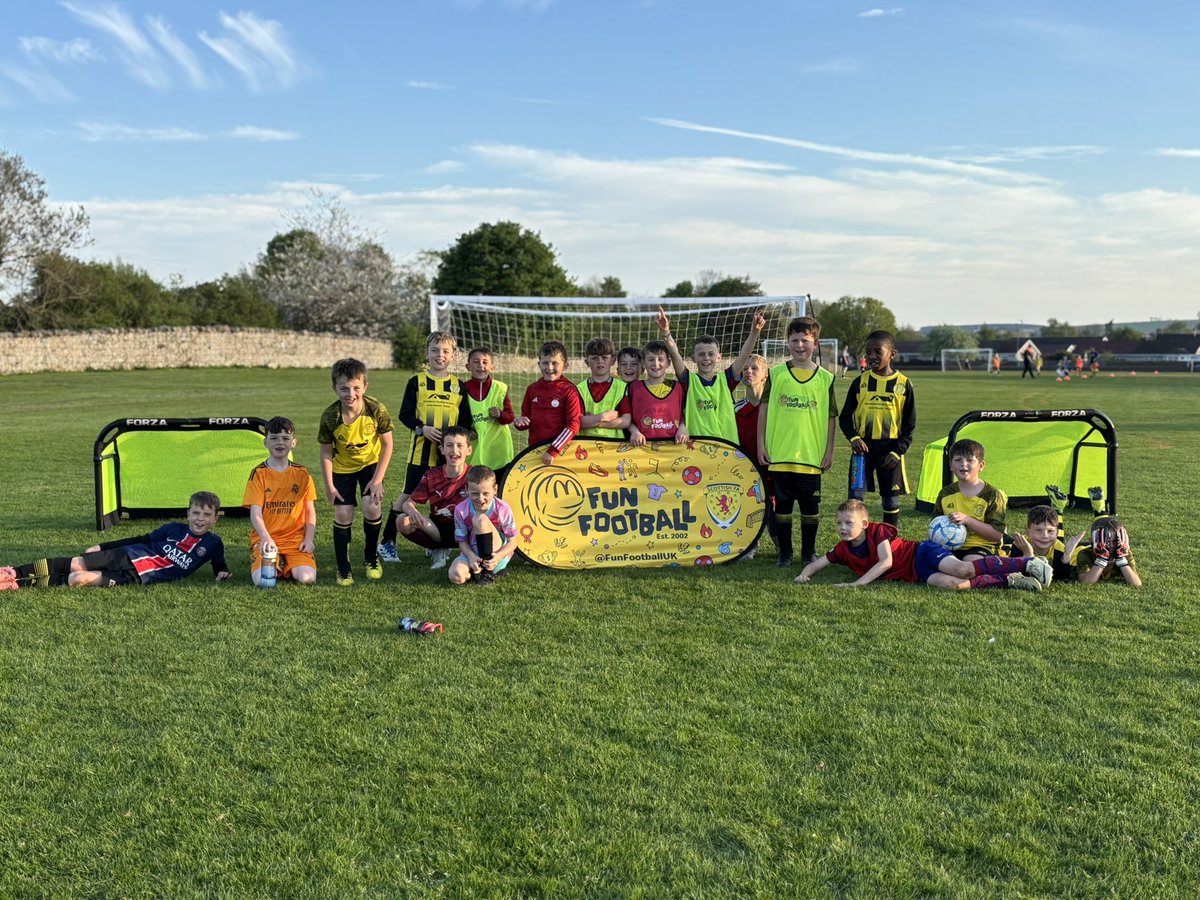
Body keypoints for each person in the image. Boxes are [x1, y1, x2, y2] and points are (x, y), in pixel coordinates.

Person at [794, 500, 1050, 591]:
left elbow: (887, 562)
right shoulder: (843, 549)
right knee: (951, 585)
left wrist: (856, 584)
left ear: (864, 523)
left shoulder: (878, 531)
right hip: (916, 575)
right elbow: (818, 563)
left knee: (963, 570)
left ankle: (1029, 563)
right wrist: (805, 574)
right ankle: (1012, 580)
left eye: (848, 523)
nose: (842, 528)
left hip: (922, 553)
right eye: (839, 523)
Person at [2, 491, 230, 589]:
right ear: (188, 514)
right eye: (196, 513)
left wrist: (221, 572)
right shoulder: (173, 529)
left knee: (76, 579)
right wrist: (102, 546)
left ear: (214, 519)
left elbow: (218, 564)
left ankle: (17, 585)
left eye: (206, 515)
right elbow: (139, 538)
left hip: (138, 577)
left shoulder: (212, 544)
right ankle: (13, 573)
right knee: (75, 563)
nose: (200, 519)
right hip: (127, 555)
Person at [379, 332, 470, 563]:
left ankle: (437, 543)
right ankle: (387, 543)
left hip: (449, 455)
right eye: (435, 350)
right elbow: (405, 415)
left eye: (445, 351)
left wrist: (457, 441)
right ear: (426, 353)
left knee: (446, 497)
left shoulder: (459, 387)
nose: (440, 355)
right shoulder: (416, 382)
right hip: (420, 453)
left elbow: (466, 422)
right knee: (407, 497)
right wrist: (422, 429)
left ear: (453, 355)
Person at [757, 315, 837, 568]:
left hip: (811, 456)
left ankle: (809, 552)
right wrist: (761, 444)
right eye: (794, 340)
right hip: (780, 454)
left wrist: (829, 451)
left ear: (815, 343)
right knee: (782, 507)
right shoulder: (777, 374)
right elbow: (764, 410)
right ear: (787, 342)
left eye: (805, 340)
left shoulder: (826, 378)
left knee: (809, 508)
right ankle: (785, 553)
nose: (799, 345)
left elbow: (830, 418)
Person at [318, 358, 394, 585]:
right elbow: (325, 453)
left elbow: (388, 444)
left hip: (370, 465)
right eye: (343, 388)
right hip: (342, 468)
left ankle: (371, 558)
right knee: (342, 514)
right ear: (335, 388)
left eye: (355, 388)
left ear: (364, 387)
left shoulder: (375, 409)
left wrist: (378, 479)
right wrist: (330, 486)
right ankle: (343, 568)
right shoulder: (330, 417)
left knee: (372, 506)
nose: (350, 393)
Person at [838, 330, 915, 527]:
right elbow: (845, 417)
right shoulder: (860, 383)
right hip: (861, 450)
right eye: (868, 352)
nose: (871, 357)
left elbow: (909, 425)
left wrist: (898, 452)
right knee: (855, 500)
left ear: (892, 354)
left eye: (877, 352)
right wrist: (854, 438)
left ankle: (890, 544)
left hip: (891, 451)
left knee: (891, 501)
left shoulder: (904, 385)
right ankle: (856, 545)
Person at [656, 306, 765, 442]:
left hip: (727, 448)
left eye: (711, 354)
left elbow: (744, 355)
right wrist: (666, 333)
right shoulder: (689, 380)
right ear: (693, 358)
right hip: (698, 449)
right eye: (701, 354)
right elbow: (675, 354)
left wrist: (755, 332)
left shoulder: (726, 379)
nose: (706, 358)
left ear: (718, 357)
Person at [243, 416, 317, 586]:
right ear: (266, 442)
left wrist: (309, 539)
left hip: (295, 539)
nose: (280, 443)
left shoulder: (302, 473)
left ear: (293, 442)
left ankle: (291, 562)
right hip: (267, 537)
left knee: (307, 579)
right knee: (264, 581)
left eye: (285, 438)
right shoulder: (258, 474)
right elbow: (255, 512)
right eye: (274, 438)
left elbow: (309, 510)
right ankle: (267, 558)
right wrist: (264, 537)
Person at [394, 426, 474, 571]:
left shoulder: (475, 474)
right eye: (449, 445)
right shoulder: (432, 475)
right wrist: (412, 511)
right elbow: (408, 504)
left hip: (467, 529)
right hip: (438, 529)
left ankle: (471, 551)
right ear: (442, 449)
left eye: (459, 445)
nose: (454, 450)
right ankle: (438, 548)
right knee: (402, 521)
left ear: (469, 450)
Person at [932, 438, 1006, 561]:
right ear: (951, 465)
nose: (963, 464)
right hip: (948, 548)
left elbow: (997, 535)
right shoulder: (946, 493)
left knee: (968, 567)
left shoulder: (992, 495)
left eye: (970, 460)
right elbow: (936, 524)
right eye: (958, 460)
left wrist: (967, 520)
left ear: (981, 466)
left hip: (979, 547)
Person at [513, 340, 582, 466]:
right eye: (545, 363)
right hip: (535, 450)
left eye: (555, 363)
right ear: (539, 364)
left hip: (560, 453)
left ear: (565, 366)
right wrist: (519, 422)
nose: (549, 368)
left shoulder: (569, 390)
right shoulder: (532, 389)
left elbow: (573, 424)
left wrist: (553, 450)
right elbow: (525, 420)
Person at [734, 352, 776, 559]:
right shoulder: (735, 409)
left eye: (754, 368)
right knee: (750, 504)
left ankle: (780, 544)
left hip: (772, 465)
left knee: (774, 508)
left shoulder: (775, 409)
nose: (748, 371)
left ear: (765, 375)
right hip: (745, 468)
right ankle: (750, 544)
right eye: (745, 368)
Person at [448, 465, 519, 586]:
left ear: (495, 490)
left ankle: (488, 573)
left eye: (486, 493)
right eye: (475, 493)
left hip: (496, 555)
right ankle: (475, 572)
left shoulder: (502, 508)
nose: (480, 498)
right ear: (467, 489)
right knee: (456, 576)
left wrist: (498, 557)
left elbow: (513, 541)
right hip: (473, 552)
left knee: (480, 519)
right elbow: (462, 541)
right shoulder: (461, 510)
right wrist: (471, 556)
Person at [618, 338, 689, 446]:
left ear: (668, 363)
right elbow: (626, 416)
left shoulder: (679, 387)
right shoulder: (633, 388)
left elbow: (685, 413)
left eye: (660, 359)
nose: (656, 364)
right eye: (651, 359)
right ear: (643, 363)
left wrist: (683, 428)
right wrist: (635, 432)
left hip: (673, 446)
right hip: (642, 447)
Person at [461, 346, 515, 471]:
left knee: (498, 485)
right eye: (476, 362)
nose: (481, 365)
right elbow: (458, 417)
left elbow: (510, 417)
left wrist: (500, 415)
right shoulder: (462, 388)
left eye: (485, 362)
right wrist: (467, 431)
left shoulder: (500, 388)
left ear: (492, 367)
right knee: (475, 483)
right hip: (473, 445)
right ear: (468, 367)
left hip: (498, 447)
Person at [576, 336, 630, 438]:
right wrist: (603, 416)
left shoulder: (622, 388)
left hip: (613, 446)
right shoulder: (579, 389)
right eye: (595, 357)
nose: (600, 361)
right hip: (585, 444)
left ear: (613, 361)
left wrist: (596, 421)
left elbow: (626, 421)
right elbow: (577, 422)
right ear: (587, 362)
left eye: (604, 357)